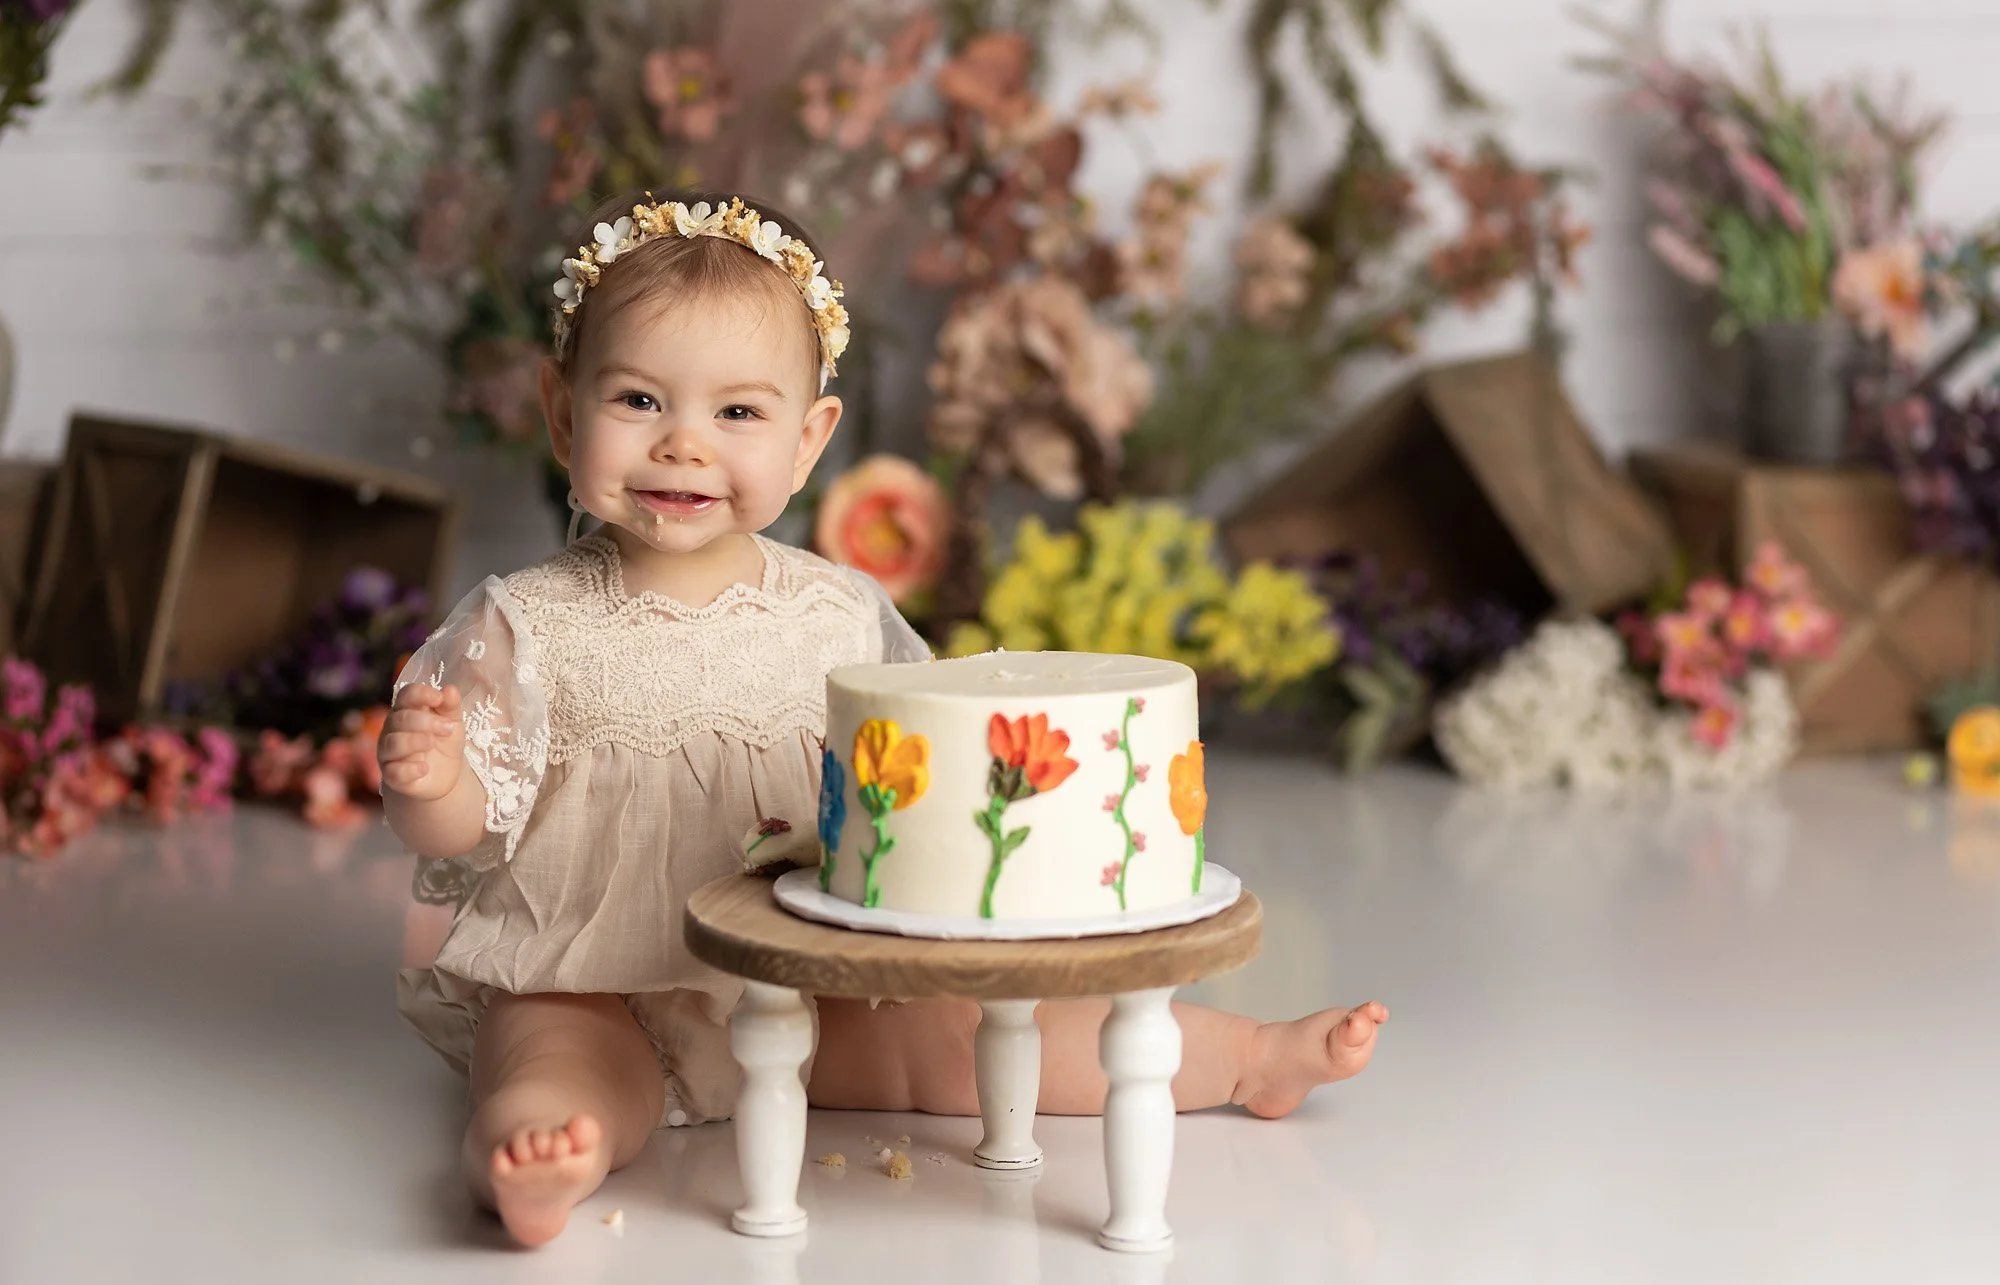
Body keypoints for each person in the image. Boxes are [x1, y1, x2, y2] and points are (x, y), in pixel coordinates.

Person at [378, 190, 1389, 1247]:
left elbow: (910, 781)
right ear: (560, 409)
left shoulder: (836, 612)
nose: (682, 446)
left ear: (810, 439)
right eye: (637, 400)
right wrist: (432, 784)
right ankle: (540, 1160)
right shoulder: (524, 623)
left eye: (736, 413)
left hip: (812, 984)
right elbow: (461, 836)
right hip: (594, 983)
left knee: (978, 1039)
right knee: (551, 1065)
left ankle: (1241, 1057)